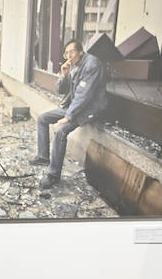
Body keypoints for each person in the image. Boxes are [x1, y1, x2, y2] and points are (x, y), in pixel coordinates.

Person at [33, 38, 107, 189]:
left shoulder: (91, 64)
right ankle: (43, 157)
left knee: (60, 132)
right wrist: (64, 75)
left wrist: (68, 117)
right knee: (42, 118)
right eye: (66, 53)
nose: (69, 56)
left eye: (72, 52)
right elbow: (60, 90)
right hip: (75, 106)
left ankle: (53, 175)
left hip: (89, 109)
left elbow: (83, 95)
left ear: (80, 51)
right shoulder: (73, 65)